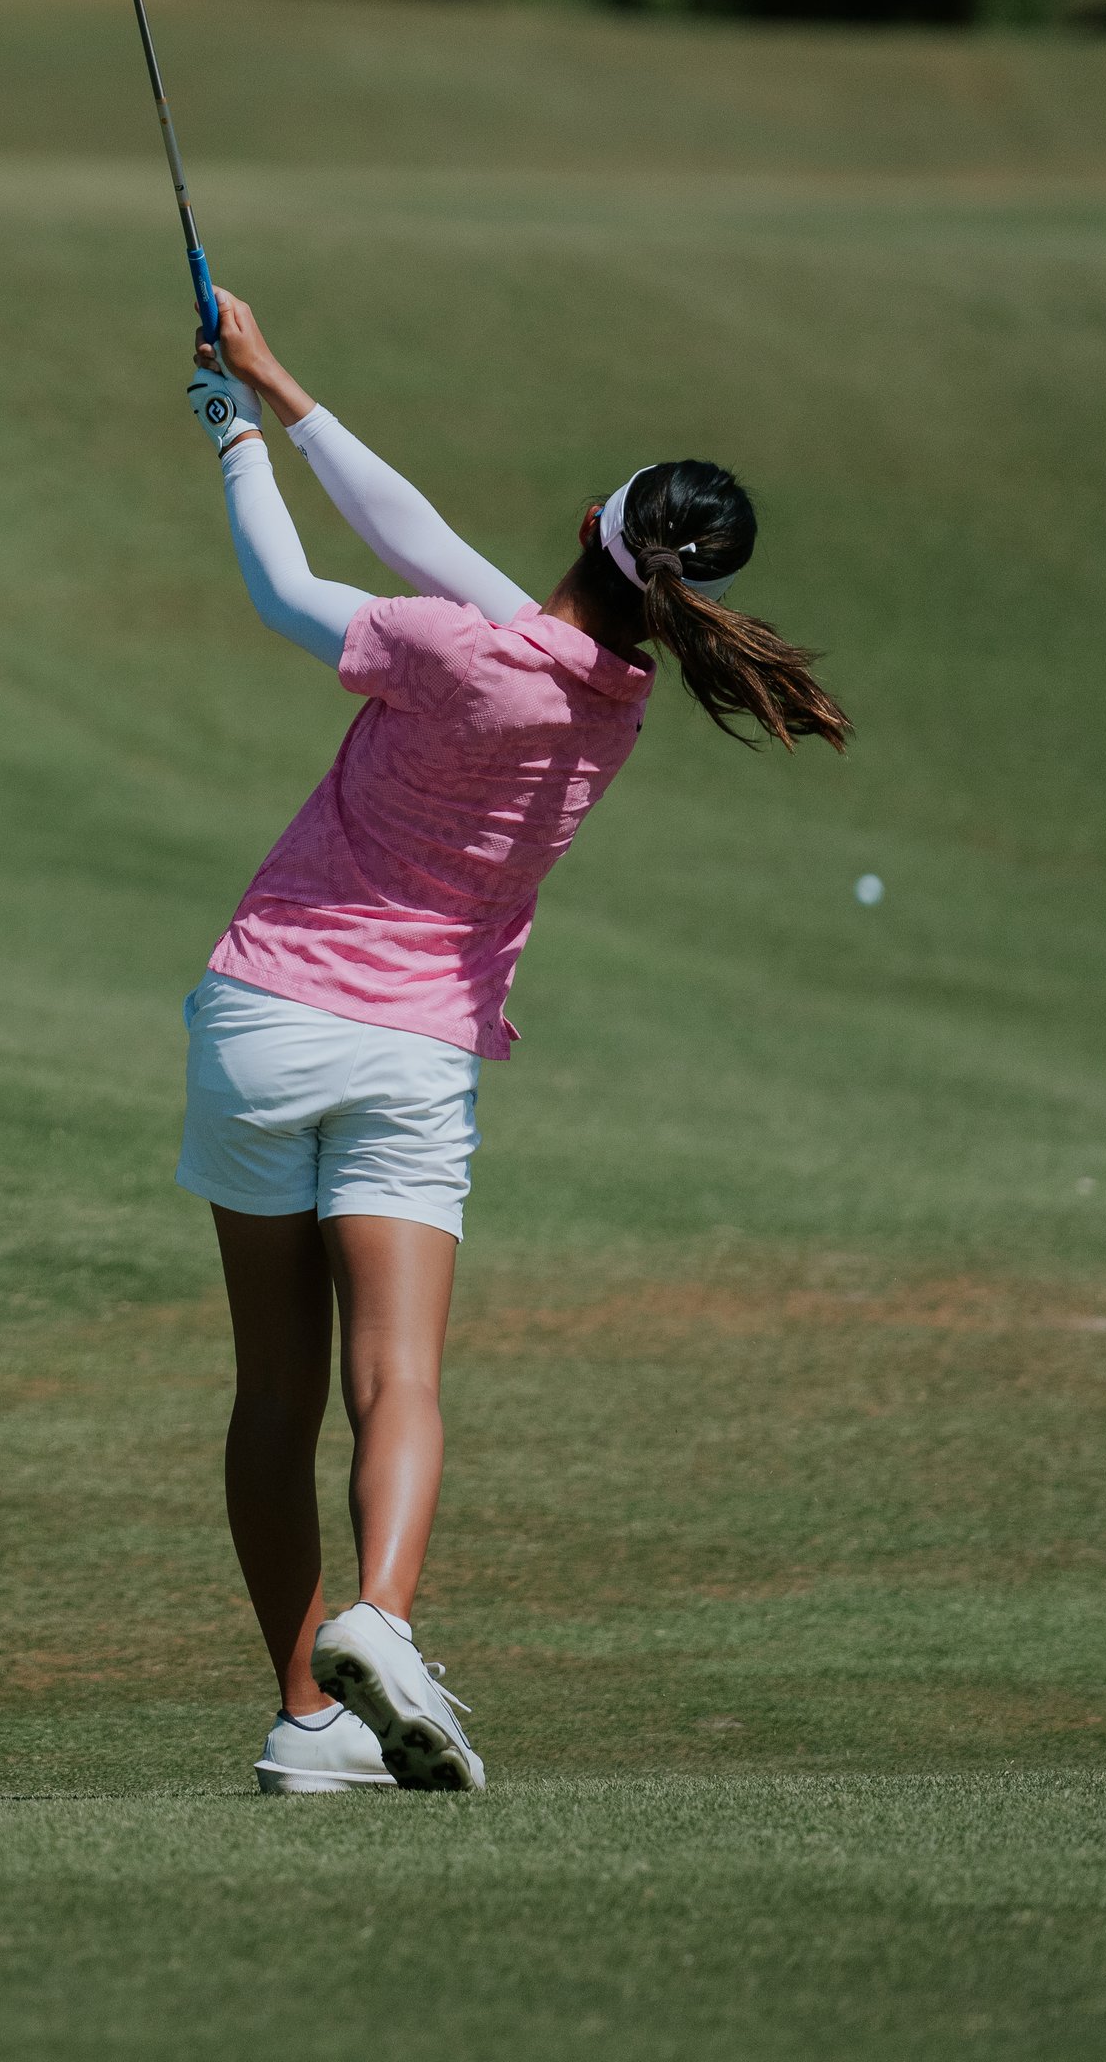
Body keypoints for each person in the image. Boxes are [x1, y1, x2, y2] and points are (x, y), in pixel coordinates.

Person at [176, 293, 850, 1795]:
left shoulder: (447, 647)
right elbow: (425, 541)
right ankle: (385, 1620)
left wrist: (232, 434)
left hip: (264, 1020)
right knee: (397, 1377)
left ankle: (307, 1722)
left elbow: (295, 587)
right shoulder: (610, 701)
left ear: (594, 524)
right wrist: (282, 384)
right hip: (413, 1053)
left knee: (272, 1395)